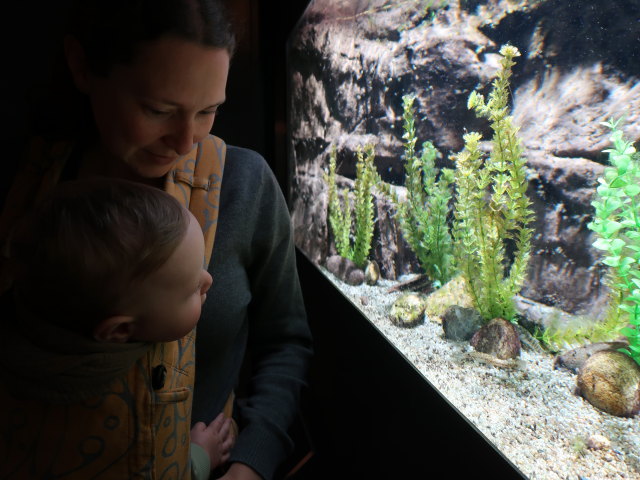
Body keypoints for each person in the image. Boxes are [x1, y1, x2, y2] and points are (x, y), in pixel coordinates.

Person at [0, 1, 312, 479]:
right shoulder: (25, 187)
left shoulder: (244, 185)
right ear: (83, 67)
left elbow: (286, 340)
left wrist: (252, 463)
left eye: (209, 111)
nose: (187, 141)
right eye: (158, 110)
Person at [4, 178, 233, 479]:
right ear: (119, 332)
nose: (209, 280)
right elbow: (153, 468)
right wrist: (197, 459)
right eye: (191, 289)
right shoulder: (114, 423)